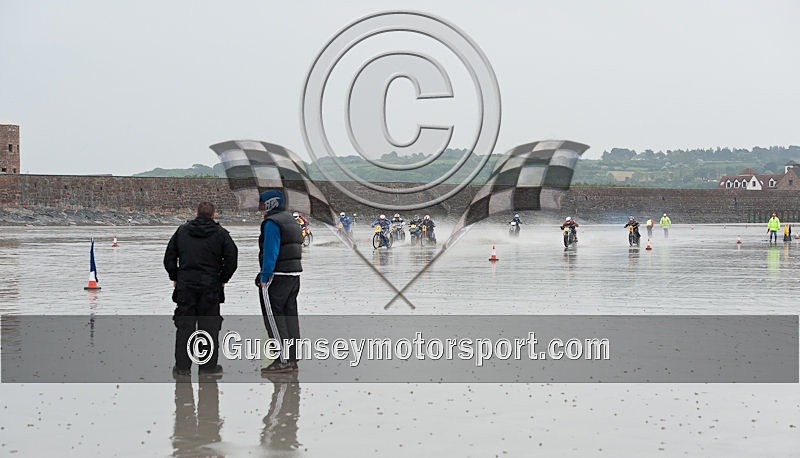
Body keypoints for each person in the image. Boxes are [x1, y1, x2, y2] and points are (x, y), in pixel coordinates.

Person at [164, 201, 238, 376]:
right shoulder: (221, 234)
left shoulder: (182, 231)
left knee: (185, 327)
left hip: (186, 287)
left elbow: (169, 257)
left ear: (196, 213)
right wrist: (222, 279)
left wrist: (175, 277)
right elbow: (232, 260)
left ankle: (182, 368)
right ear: (214, 215)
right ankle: (207, 368)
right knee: (209, 328)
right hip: (210, 288)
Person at [259, 190, 304, 374]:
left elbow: (271, 251)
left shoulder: (272, 222)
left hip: (277, 276)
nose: (259, 207)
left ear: (270, 203)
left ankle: (283, 360)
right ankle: (292, 358)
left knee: (274, 318)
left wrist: (264, 276)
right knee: (290, 317)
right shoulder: (292, 220)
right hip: (294, 275)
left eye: (261, 203)